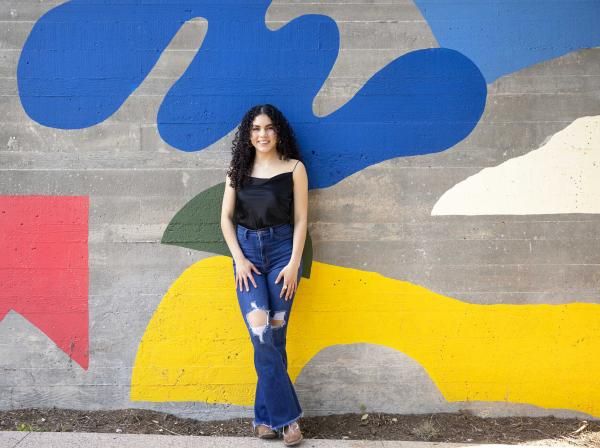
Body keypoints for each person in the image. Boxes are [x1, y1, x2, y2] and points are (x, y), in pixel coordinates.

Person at [220, 104, 308, 446]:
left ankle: (264, 418)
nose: (263, 134)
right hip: (248, 258)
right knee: (261, 334)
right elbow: (225, 218)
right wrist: (239, 259)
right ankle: (289, 421)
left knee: (276, 336)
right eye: (256, 128)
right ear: (248, 133)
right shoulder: (237, 170)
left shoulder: (295, 169)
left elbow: (301, 219)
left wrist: (294, 263)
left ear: (278, 131)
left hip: (284, 254)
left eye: (269, 128)